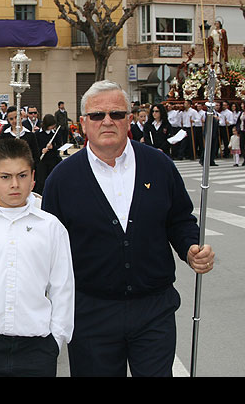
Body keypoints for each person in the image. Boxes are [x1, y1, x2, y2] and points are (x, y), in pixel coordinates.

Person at [42, 80, 215, 377]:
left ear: (130, 119)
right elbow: (48, 244)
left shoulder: (158, 165)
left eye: (117, 114)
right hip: (90, 313)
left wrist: (191, 249)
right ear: (83, 123)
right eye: (97, 115)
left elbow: (180, 219)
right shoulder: (62, 178)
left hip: (153, 309)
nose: (107, 121)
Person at [0, 138, 74, 377]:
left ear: (33, 177)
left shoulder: (51, 227)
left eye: (22, 175)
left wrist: (55, 340)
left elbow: (63, 288)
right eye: (5, 177)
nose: (15, 184)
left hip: (37, 349)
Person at [34, 114, 63, 195]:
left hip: (53, 160)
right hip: (42, 161)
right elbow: (34, 147)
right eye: (51, 125)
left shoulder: (55, 134)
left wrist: (53, 147)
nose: (53, 127)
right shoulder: (38, 134)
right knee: (41, 181)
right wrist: (41, 150)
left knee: (52, 179)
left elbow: (59, 146)